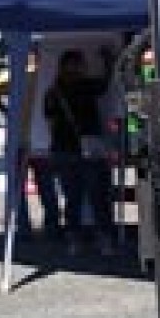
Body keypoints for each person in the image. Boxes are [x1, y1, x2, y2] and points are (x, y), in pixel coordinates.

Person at [42, 47, 110, 249]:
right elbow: (105, 85)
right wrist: (109, 62)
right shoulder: (87, 86)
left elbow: (50, 121)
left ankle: (74, 239)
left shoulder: (53, 91)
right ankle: (104, 238)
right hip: (88, 148)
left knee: (73, 198)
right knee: (97, 196)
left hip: (63, 149)